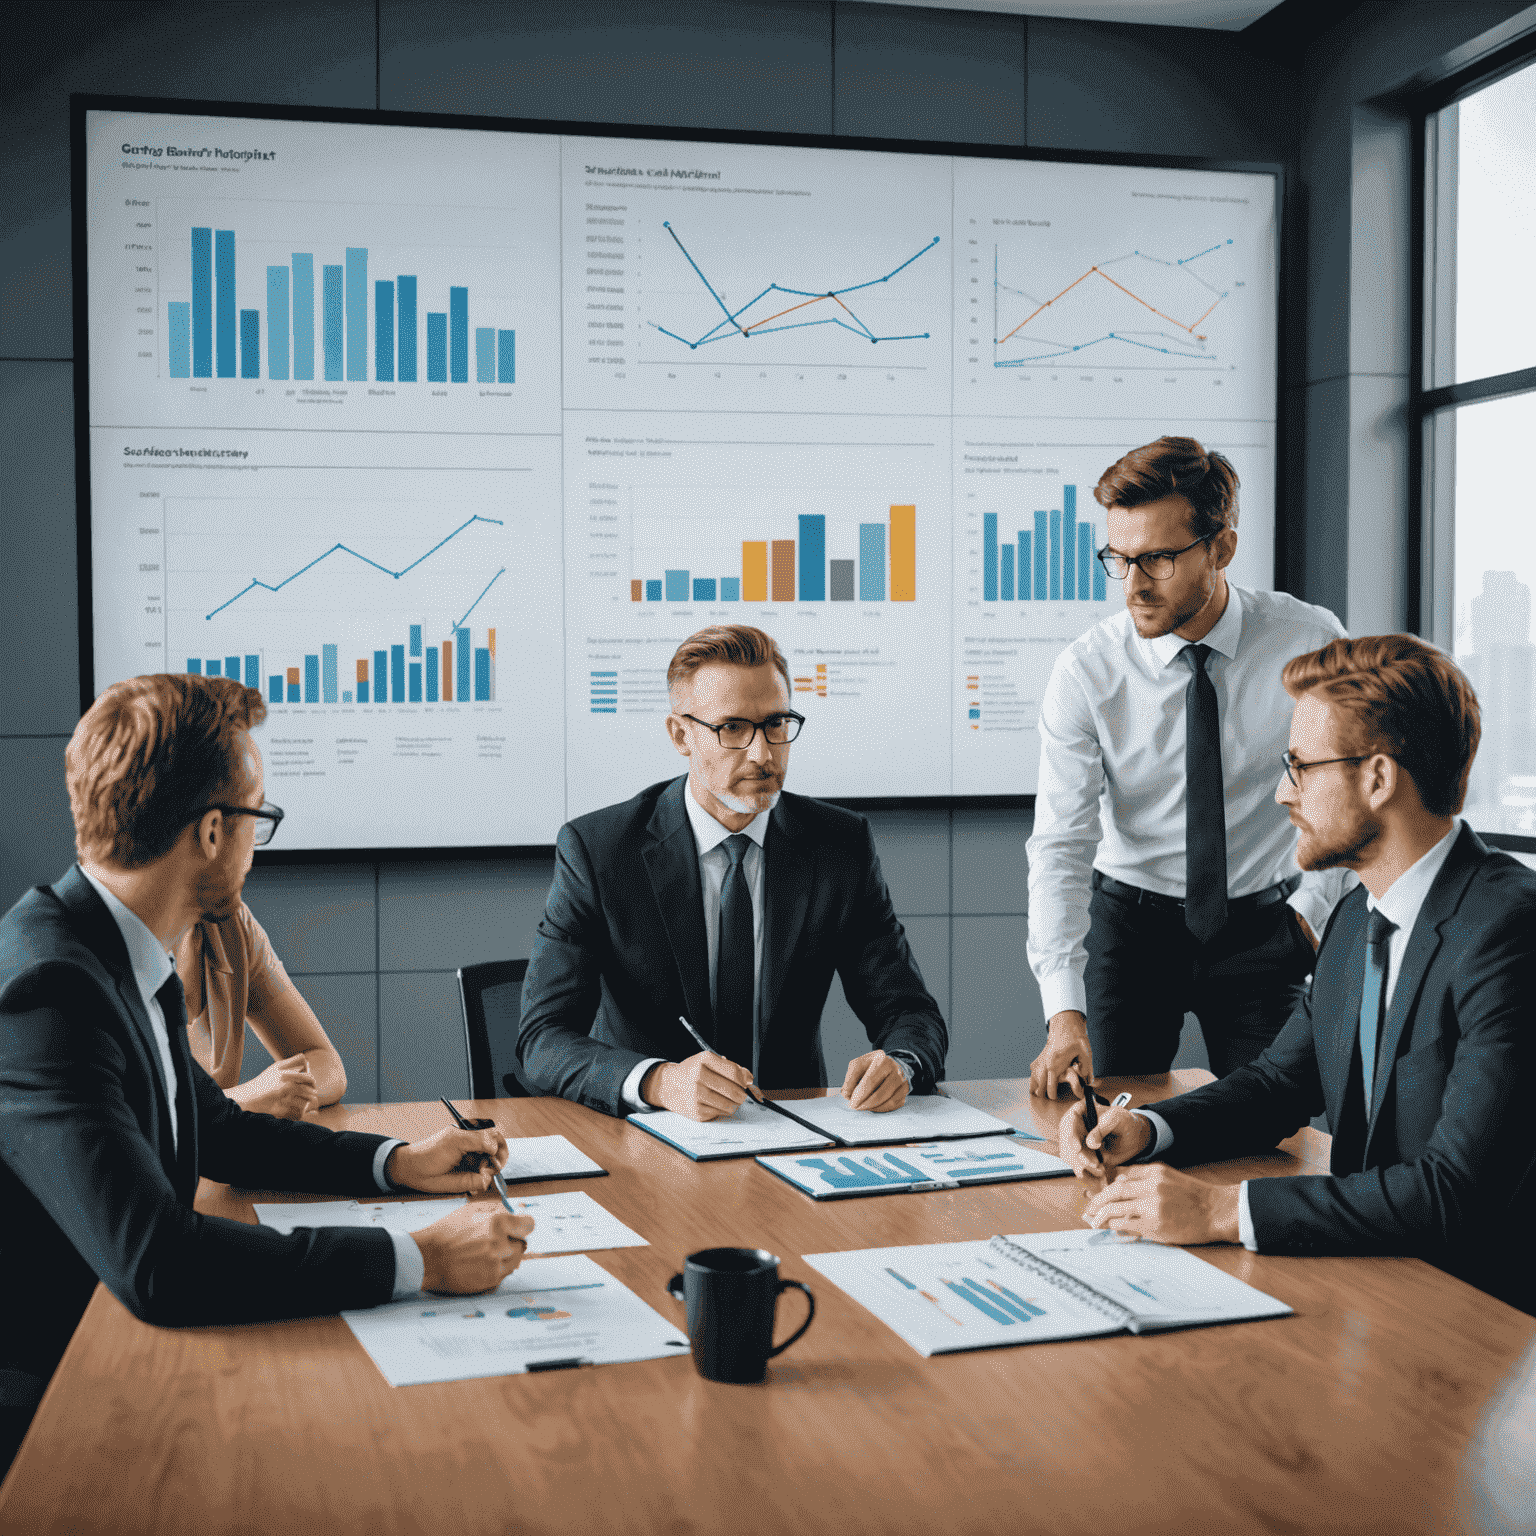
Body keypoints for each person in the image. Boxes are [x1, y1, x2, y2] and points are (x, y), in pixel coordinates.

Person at [0, 674, 534, 1474]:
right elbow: (161, 1265)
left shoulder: (107, 945)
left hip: (122, 1338)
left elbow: (213, 1128)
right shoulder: (52, 990)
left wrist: (396, 1162)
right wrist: (420, 1261)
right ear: (212, 831)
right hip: (68, 1390)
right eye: (261, 818)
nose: (259, 842)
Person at [1057, 635, 1536, 1317]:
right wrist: (1149, 1132)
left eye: (1300, 766)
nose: (1283, 793)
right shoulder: (1353, 922)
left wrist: (1225, 1210)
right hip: (1370, 1292)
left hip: (1480, 1324)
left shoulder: (1507, 929)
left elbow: (1453, 1190)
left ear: (1377, 777)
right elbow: (1278, 1085)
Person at [1026, 436, 1349, 1099]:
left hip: (1267, 929)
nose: (1134, 585)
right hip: (1132, 931)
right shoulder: (1086, 673)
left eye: (1158, 559)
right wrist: (1064, 1010)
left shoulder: (1309, 642)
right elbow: (1060, 844)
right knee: (1109, 1125)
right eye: (1119, 559)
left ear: (1221, 549)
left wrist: (1310, 916)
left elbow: (1346, 790)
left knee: (1275, 1126)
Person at [518, 624, 948, 1120]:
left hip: (796, 1137)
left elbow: (910, 1011)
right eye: (733, 729)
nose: (763, 754)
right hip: (652, 1138)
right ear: (681, 734)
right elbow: (541, 1039)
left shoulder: (838, 846)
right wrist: (660, 1081)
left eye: (775, 724)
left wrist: (901, 1064)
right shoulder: (601, 850)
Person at [176, 902, 347, 1118]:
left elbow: (322, 1059)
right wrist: (244, 1100)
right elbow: (131, 1112)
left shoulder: (230, 925)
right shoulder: (123, 942)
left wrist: (293, 1093)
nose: (247, 867)